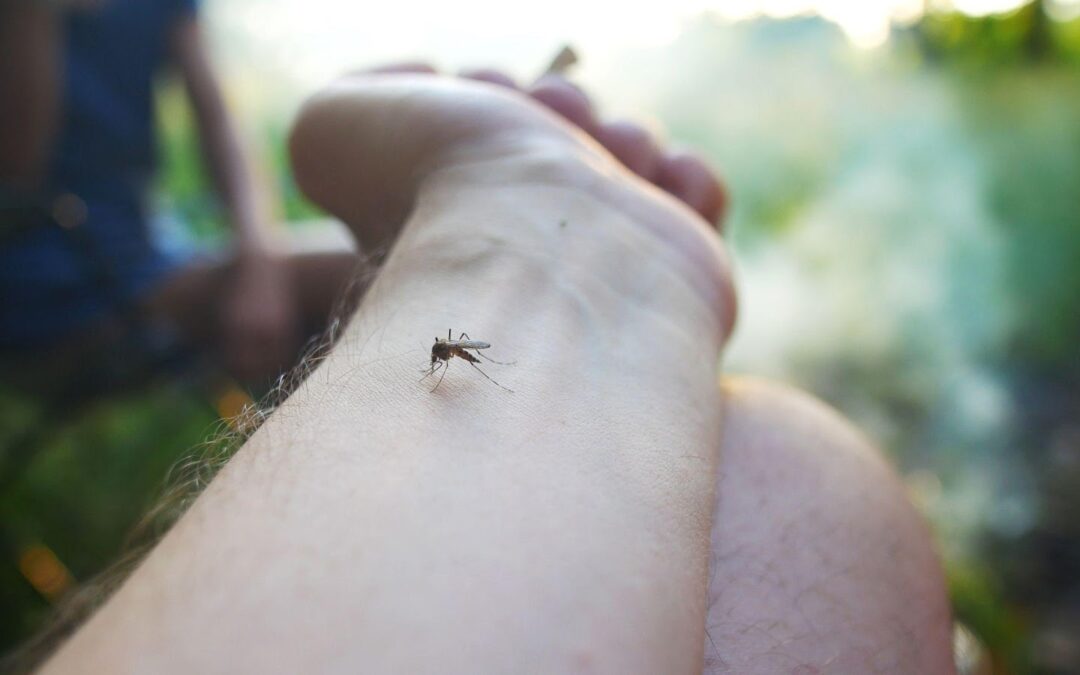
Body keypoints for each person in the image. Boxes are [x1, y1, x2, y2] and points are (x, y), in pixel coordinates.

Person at [16, 64, 956, 673]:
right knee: (791, 454)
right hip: (51, 288)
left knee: (787, 450)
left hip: (164, 259)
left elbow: (219, 124)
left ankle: (539, 246)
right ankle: (548, 243)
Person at [0, 0, 357, 384]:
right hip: (52, 276)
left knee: (376, 262)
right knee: (361, 274)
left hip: (143, 254)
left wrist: (259, 263)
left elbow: (218, 123)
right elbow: (17, 171)